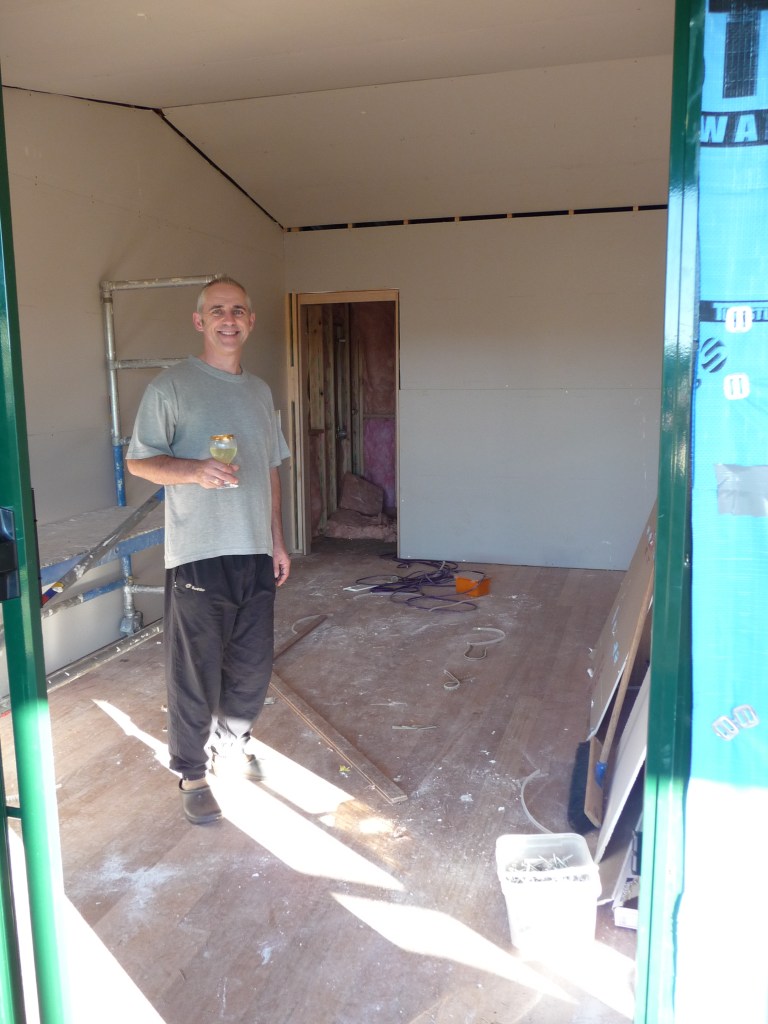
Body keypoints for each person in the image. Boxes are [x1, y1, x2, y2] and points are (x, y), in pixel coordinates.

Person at [126, 275, 291, 825]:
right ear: (200, 321)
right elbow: (139, 461)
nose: (229, 319)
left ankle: (232, 743)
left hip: (254, 551)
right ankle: (192, 772)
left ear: (251, 321)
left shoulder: (260, 391)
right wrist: (194, 471)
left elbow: (270, 469)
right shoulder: (171, 387)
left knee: (251, 666)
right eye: (217, 310)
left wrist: (277, 540)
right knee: (195, 671)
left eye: (238, 310)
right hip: (198, 553)